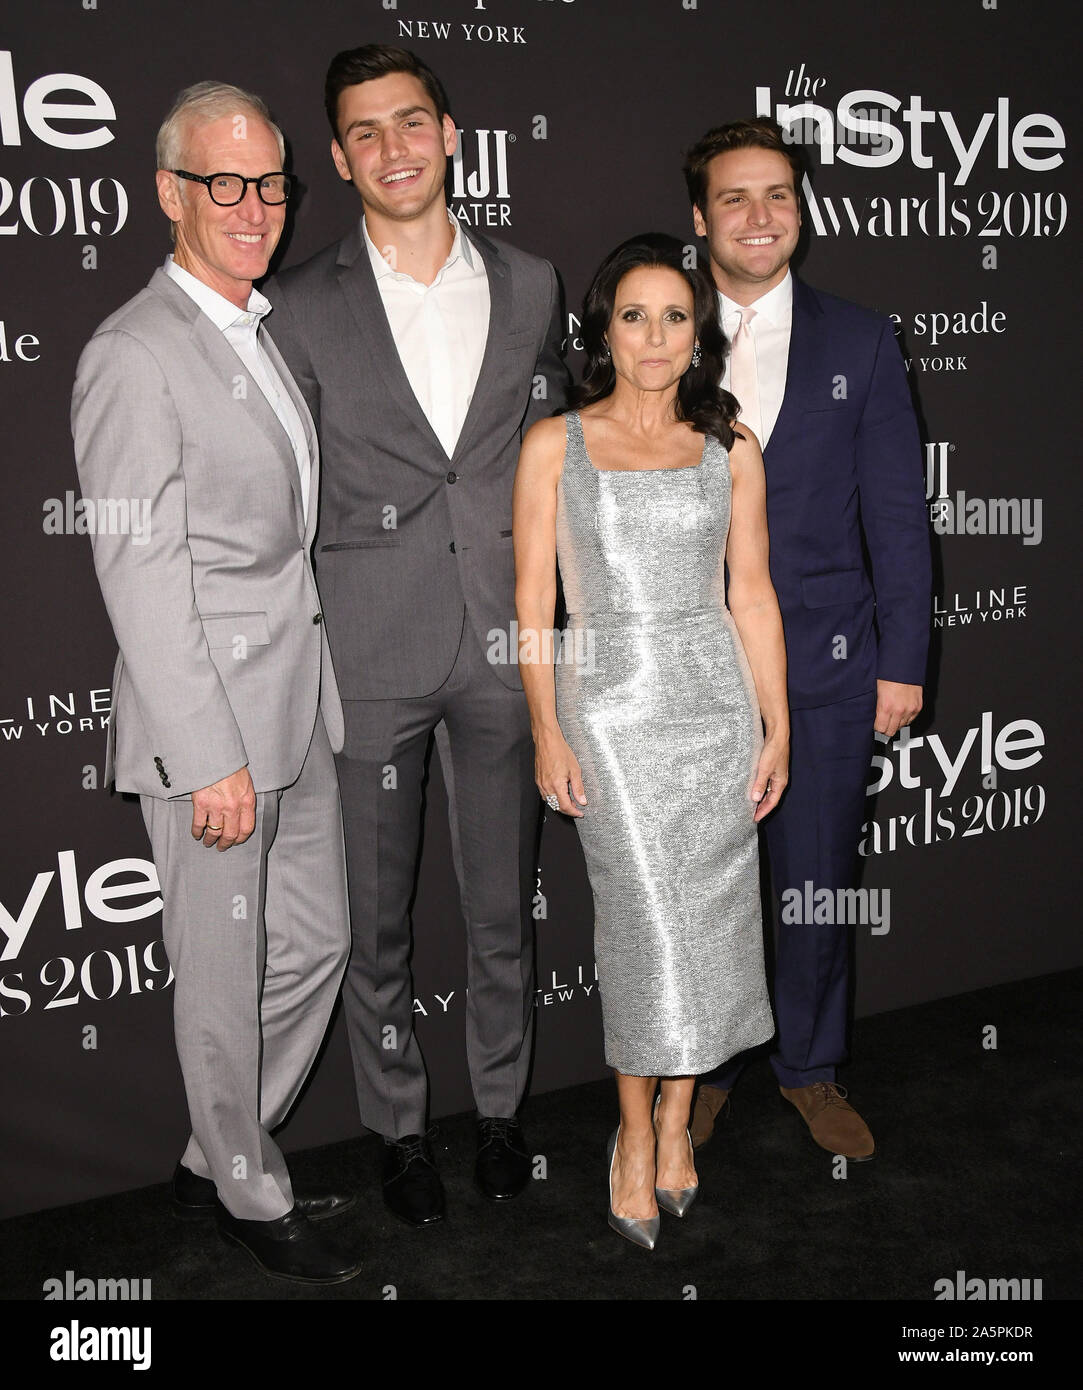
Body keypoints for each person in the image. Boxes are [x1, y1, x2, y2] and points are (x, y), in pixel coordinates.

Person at [265, 44, 569, 1227]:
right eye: (365, 132)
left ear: (452, 134)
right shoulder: (293, 306)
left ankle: (500, 1111)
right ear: (338, 158)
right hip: (370, 655)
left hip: (507, 647)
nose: (393, 147)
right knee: (371, 925)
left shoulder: (535, 280)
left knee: (505, 905)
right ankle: (397, 1127)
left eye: (412, 121)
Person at [70, 82, 359, 1285]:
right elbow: (138, 574)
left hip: (296, 706)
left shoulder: (257, 327)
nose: (255, 207)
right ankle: (246, 1191)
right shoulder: (134, 353)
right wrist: (208, 754)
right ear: (168, 193)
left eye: (272, 184)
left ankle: (213, 1155)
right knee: (223, 976)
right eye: (224, 183)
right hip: (216, 739)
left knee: (316, 949)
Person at [513, 234, 789, 1248]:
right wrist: (548, 726)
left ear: (699, 331)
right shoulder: (556, 445)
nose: (657, 336)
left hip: (714, 705)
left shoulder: (732, 447)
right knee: (642, 934)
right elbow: (532, 606)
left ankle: (679, 1122)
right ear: (604, 329)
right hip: (612, 713)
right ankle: (631, 1133)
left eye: (676, 315)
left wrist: (778, 723)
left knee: (714, 929)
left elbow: (752, 596)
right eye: (636, 315)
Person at [684, 119, 931, 1159]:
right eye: (735, 198)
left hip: (828, 665)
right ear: (699, 220)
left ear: (802, 211)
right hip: (688, 668)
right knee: (700, 882)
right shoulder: (655, 328)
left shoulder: (860, 339)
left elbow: (897, 515)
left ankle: (812, 1066)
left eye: (778, 195)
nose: (759, 216)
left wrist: (901, 662)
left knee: (816, 873)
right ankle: (702, 1064)